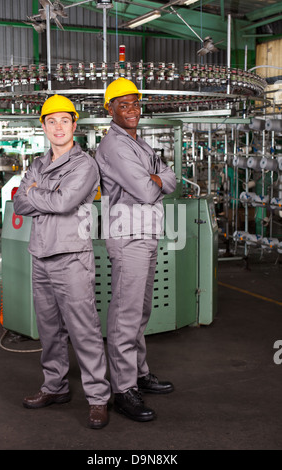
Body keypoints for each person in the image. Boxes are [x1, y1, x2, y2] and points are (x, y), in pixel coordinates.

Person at [13, 94, 110, 429]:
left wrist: (35, 194)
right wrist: (41, 196)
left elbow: (65, 203)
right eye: (51, 121)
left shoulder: (84, 165)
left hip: (71, 258)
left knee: (84, 330)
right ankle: (54, 387)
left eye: (64, 121)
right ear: (43, 126)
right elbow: (18, 205)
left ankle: (98, 397)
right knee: (50, 331)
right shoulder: (38, 165)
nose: (58, 127)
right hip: (40, 255)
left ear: (74, 125)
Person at [95, 78, 177, 422]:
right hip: (128, 235)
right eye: (123, 105)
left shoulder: (137, 142)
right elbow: (148, 189)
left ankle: (139, 373)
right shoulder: (114, 146)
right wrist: (156, 178)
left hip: (146, 232)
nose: (132, 111)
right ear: (110, 109)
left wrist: (158, 178)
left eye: (135, 104)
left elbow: (171, 179)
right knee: (125, 315)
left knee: (140, 311)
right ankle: (123, 388)